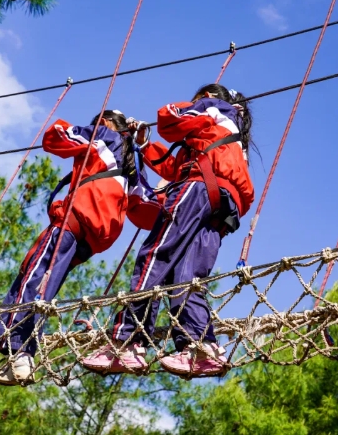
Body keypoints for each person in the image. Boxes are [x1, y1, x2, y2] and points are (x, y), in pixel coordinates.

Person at [0, 110, 162, 385]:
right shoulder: (131, 168)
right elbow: (148, 210)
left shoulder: (103, 136)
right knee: (42, 285)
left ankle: (5, 352)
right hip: (93, 240)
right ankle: (6, 351)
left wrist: (88, 130)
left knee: (31, 277)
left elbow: (55, 136)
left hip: (75, 220)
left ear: (104, 123)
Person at [80, 84, 256, 377]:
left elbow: (169, 116)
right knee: (186, 279)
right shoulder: (226, 139)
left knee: (154, 257)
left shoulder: (212, 107)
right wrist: (145, 144)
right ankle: (200, 347)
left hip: (198, 189)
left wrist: (188, 108)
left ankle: (128, 341)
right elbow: (175, 166)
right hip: (222, 206)